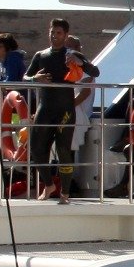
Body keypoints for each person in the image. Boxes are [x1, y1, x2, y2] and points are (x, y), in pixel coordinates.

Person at [24, 17, 97, 198]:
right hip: (45, 107)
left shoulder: (72, 54)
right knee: (36, 148)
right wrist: (35, 79)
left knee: (64, 149)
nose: (54, 36)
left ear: (65, 35)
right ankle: (48, 185)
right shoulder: (41, 55)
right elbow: (25, 77)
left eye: (58, 33)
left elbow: (95, 72)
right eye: (52, 32)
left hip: (65, 109)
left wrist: (81, 63)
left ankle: (65, 191)